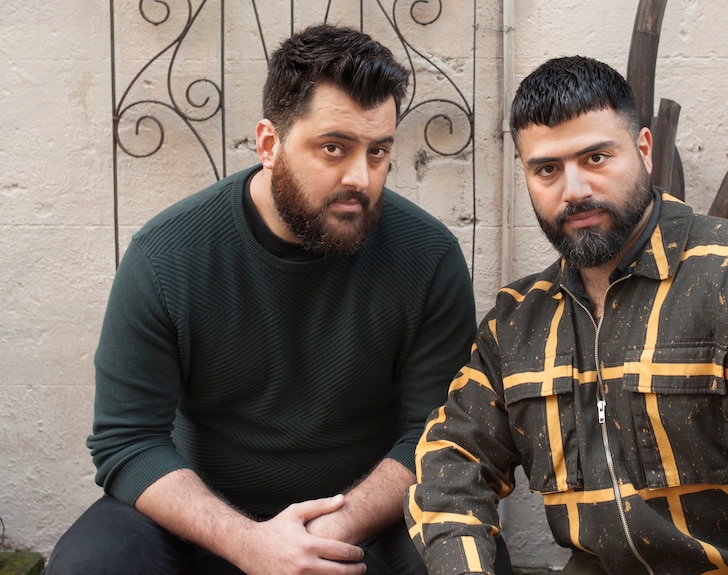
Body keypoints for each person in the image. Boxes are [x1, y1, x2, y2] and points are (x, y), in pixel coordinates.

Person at [45, 24, 513, 575]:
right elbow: (128, 441)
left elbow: (435, 434)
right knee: (94, 562)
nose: (360, 178)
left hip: (362, 529)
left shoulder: (426, 256)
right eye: (333, 148)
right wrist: (250, 543)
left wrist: (323, 535)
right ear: (269, 145)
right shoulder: (167, 254)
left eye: (379, 151)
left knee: (462, 557)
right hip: (207, 526)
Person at [406, 55, 728, 574]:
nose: (574, 190)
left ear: (643, 149)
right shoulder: (516, 322)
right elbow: (449, 466)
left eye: (596, 158)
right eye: (547, 169)